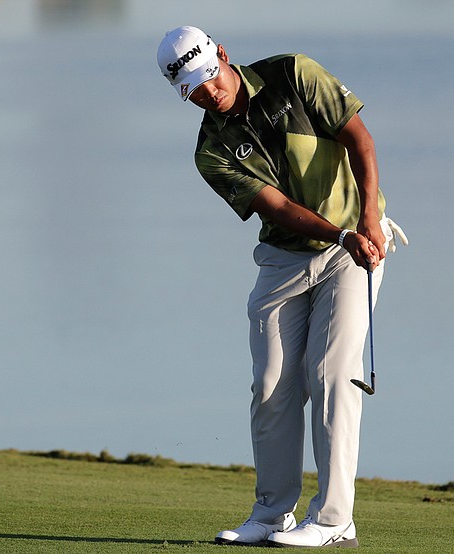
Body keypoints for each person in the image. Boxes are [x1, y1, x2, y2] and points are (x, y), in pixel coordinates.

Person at [156, 26, 407, 548]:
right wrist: (339, 231)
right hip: (285, 258)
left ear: (222, 56)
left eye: (209, 78)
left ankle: (336, 519)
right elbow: (277, 208)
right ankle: (271, 514)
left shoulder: (292, 73)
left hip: (353, 249)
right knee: (271, 384)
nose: (207, 93)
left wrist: (367, 220)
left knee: (332, 373)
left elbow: (359, 137)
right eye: (193, 91)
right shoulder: (211, 151)